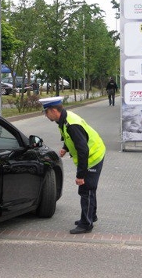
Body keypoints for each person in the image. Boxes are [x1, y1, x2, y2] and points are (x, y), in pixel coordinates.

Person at [39, 96, 106, 234]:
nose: (46, 116)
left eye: (46, 112)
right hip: (92, 154)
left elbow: (83, 151)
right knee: (89, 189)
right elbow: (70, 138)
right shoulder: (63, 119)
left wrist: (80, 175)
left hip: (93, 156)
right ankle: (91, 216)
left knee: (85, 190)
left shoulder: (71, 124)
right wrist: (66, 148)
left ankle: (86, 224)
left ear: (53, 110)